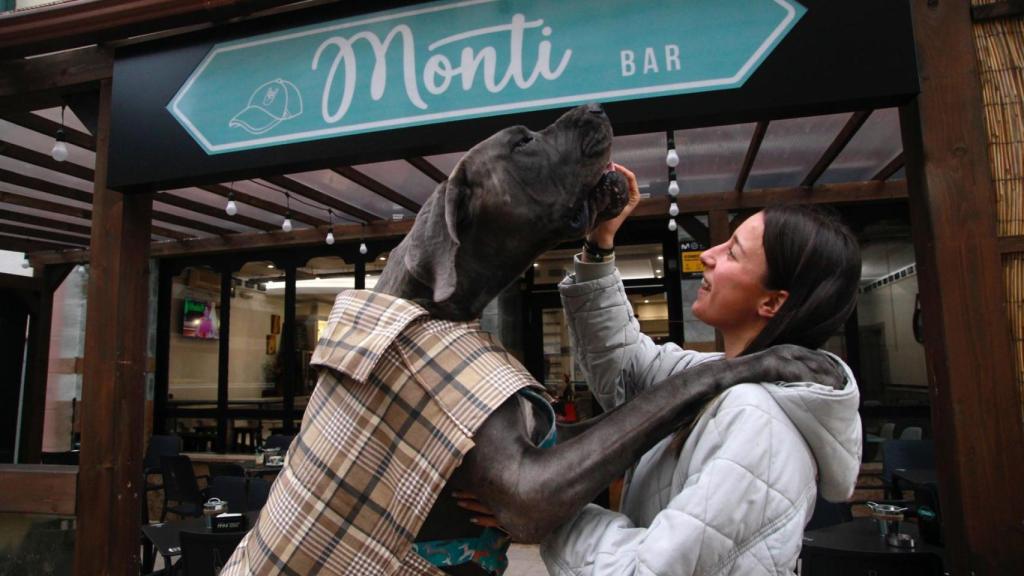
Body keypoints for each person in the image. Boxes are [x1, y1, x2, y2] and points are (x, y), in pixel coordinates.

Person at [537, 164, 863, 575]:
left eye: (733, 252)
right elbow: (626, 367)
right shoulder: (720, 375)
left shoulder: (758, 425)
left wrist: (547, 507)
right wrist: (600, 243)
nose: (707, 255)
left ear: (772, 303)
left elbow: (641, 572)